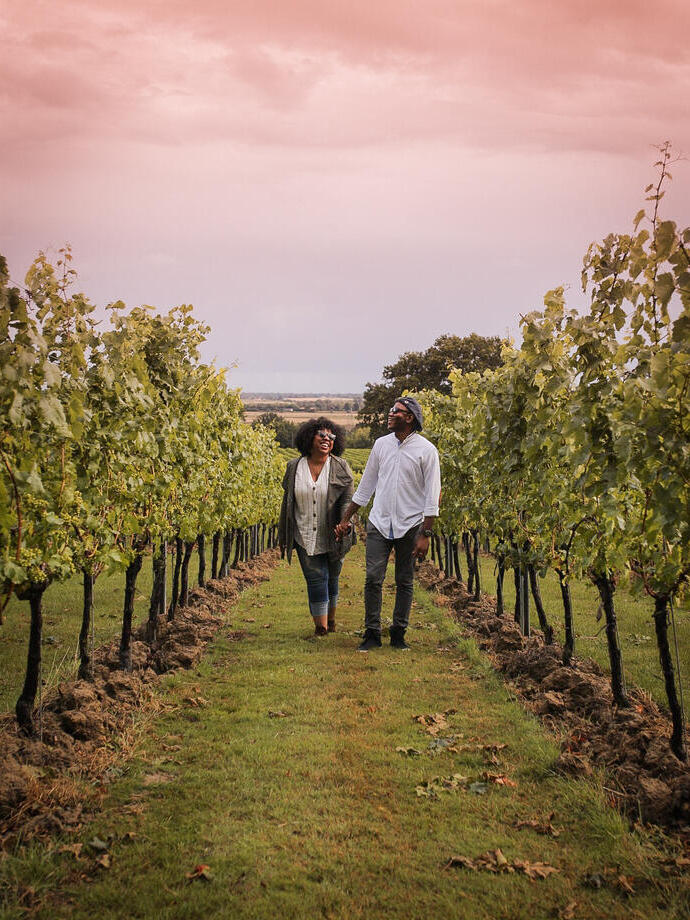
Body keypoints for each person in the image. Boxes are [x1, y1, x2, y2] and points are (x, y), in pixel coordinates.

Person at [334, 396, 440, 651]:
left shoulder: (427, 451)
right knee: (373, 578)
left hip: (410, 525)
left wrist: (426, 533)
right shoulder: (381, 445)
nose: (390, 414)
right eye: (391, 410)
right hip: (379, 523)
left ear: (410, 417)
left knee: (404, 580)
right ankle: (372, 632)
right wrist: (346, 519)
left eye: (396, 411)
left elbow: (432, 494)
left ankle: (398, 632)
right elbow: (366, 485)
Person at [279, 417, 355, 637]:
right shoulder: (293, 467)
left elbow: (347, 500)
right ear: (309, 437)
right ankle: (320, 628)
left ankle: (330, 620)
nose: (326, 439)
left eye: (331, 436)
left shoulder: (341, 467)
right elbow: (288, 500)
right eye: (321, 434)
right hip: (304, 531)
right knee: (315, 577)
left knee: (332, 576)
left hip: (334, 534)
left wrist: (344, 523)